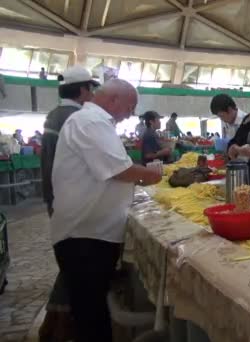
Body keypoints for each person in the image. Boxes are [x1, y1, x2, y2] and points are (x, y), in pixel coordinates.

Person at [50, 79, 162, 342]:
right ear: (114, 100)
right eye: (130, 107)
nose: (131, 114)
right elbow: (121, 170)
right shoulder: (89, 122)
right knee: (91, 317)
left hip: (92, 234)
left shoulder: (95, 122)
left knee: (94, 311)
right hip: (83, 237)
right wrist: (154, 175)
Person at [39, 65, 99, 342]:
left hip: (57, 197)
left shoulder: (55, 114)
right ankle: (60, 325)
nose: (94, 94)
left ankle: (54, 321)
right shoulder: (74, 118)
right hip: (72, 200)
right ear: (83, 90)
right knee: (75, 264)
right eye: (92, 88)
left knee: (70, 261)